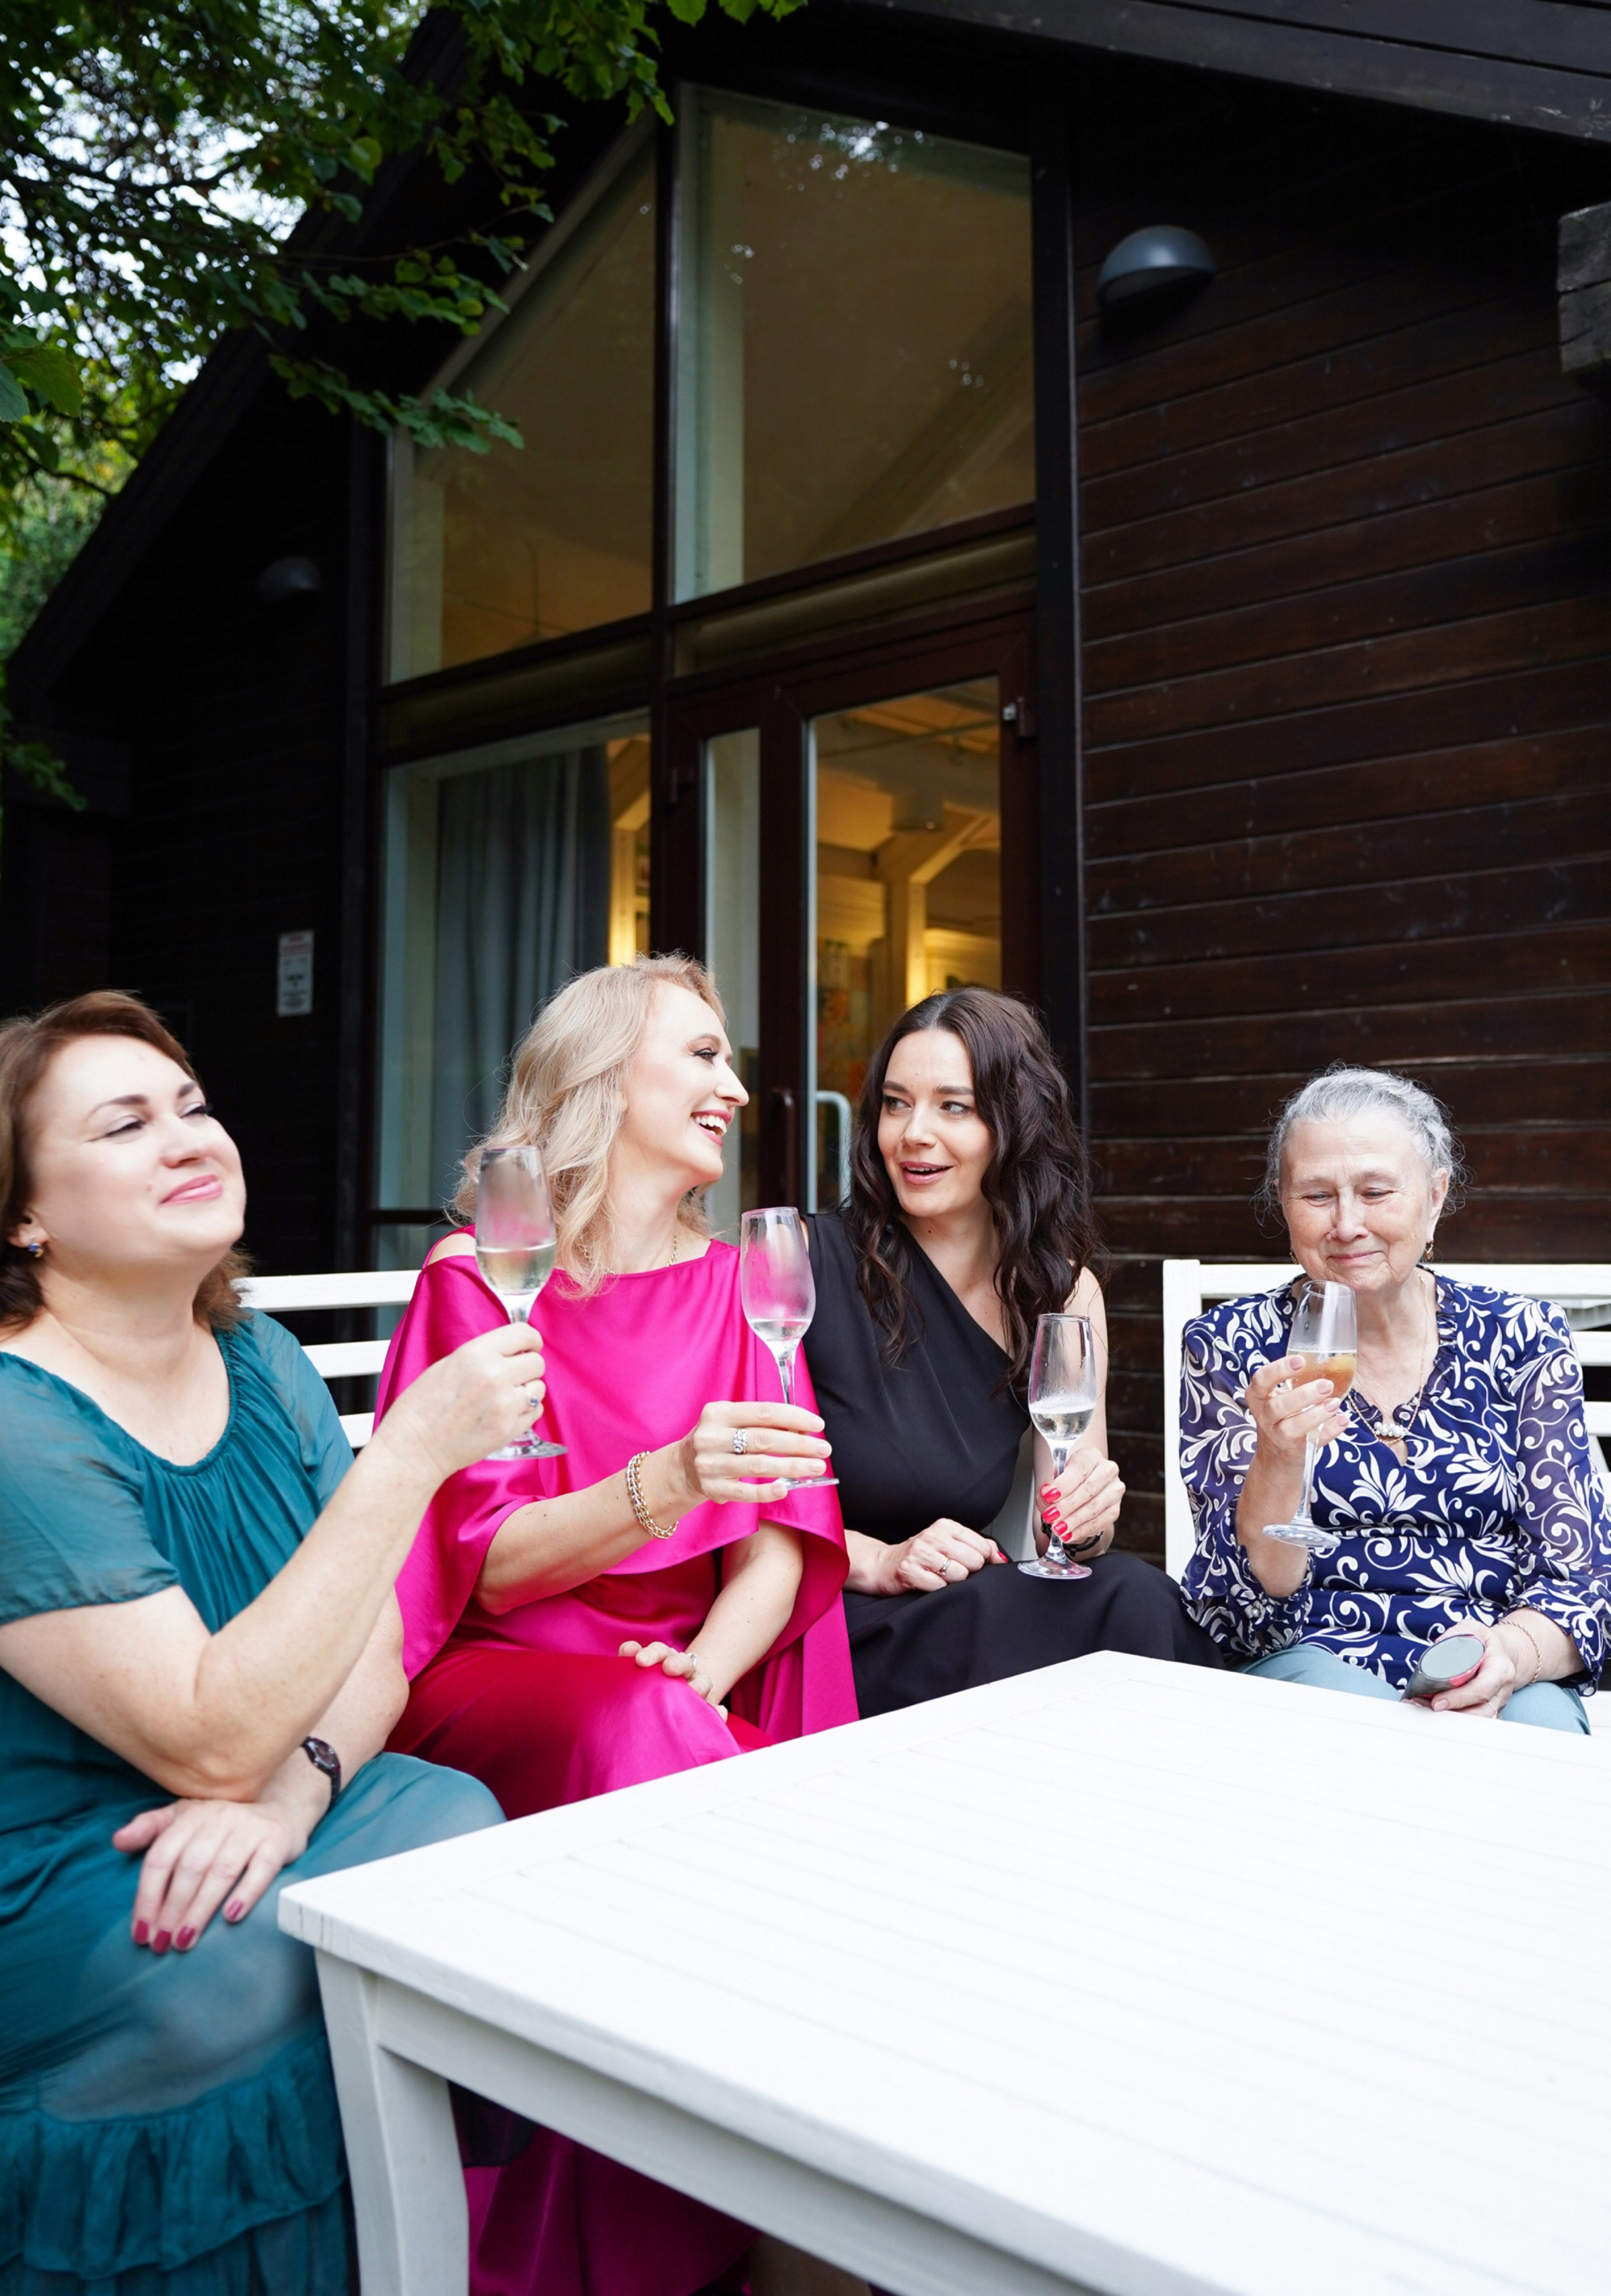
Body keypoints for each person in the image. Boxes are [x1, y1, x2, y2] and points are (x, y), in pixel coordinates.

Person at [0, 992, 544, 2296]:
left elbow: (374, 1658)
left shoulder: (267, 1367)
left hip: (228, 1817)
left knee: (455, 1837)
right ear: (24, 1213)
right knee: (236, 1970)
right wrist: (407, 1451)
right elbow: (203, 1733)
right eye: (126, 1125)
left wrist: (292, 1802)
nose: (189, 1137)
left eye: (192, 1106)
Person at [378, 952, 853, 2296]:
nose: (736, 1086)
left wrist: (698, 1673)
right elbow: (490, 1573)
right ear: (605, 1073)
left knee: (686, 1746)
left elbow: (781, 1547)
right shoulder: (482, 1282)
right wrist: (663, 1486)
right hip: (499, 1671)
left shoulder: (748, 1286)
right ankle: (764, 2223)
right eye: (700, 1055)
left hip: (687, 1685)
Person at [800, 987, 1218, 1717]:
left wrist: (1087, 1513)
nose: (912, 1134)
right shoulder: (805, 1264)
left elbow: (1067, 1537)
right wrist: (877, 1558)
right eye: (896, 1104)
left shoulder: (1058, 1293)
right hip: (835, 1613)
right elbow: (738, 1498)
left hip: (962, 1605)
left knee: (1133, 1595)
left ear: (1012, 1124)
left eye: (952, 1107)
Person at [1180, 1064, 1611, 1729]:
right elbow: (1243, 1602)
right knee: (1356, 1725)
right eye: (1316, 1196)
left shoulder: (1524, 1336)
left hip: (1487, 1655)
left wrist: (1511, 1656)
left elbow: (1581, 1580)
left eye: (1375, 1191)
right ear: (1282, 1203)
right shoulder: (1231, 1346)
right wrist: (1278, 1457)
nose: (1346, 1224)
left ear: (1434, 1196)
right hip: (1312, 1655)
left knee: (1541, 1729)